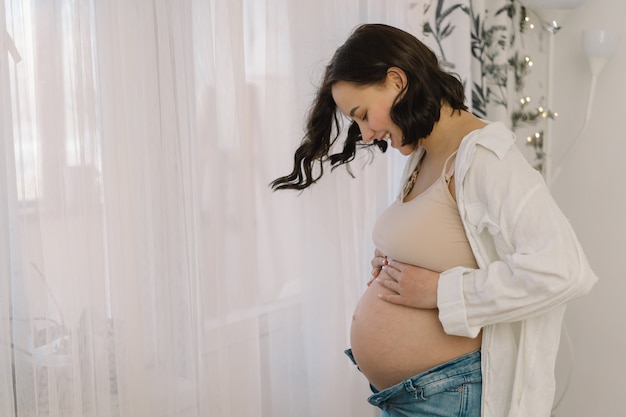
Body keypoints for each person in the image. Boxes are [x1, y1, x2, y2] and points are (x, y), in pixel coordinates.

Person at [271, 23, 598, 417]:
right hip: (413, 395)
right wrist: (391, 261)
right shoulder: (423, 153)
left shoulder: (485, 158)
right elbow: (450, 244)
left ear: (396, 81)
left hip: (449, 395)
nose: (366, 133)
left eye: (361, 115)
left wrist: (442, 291)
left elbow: (564, 270)